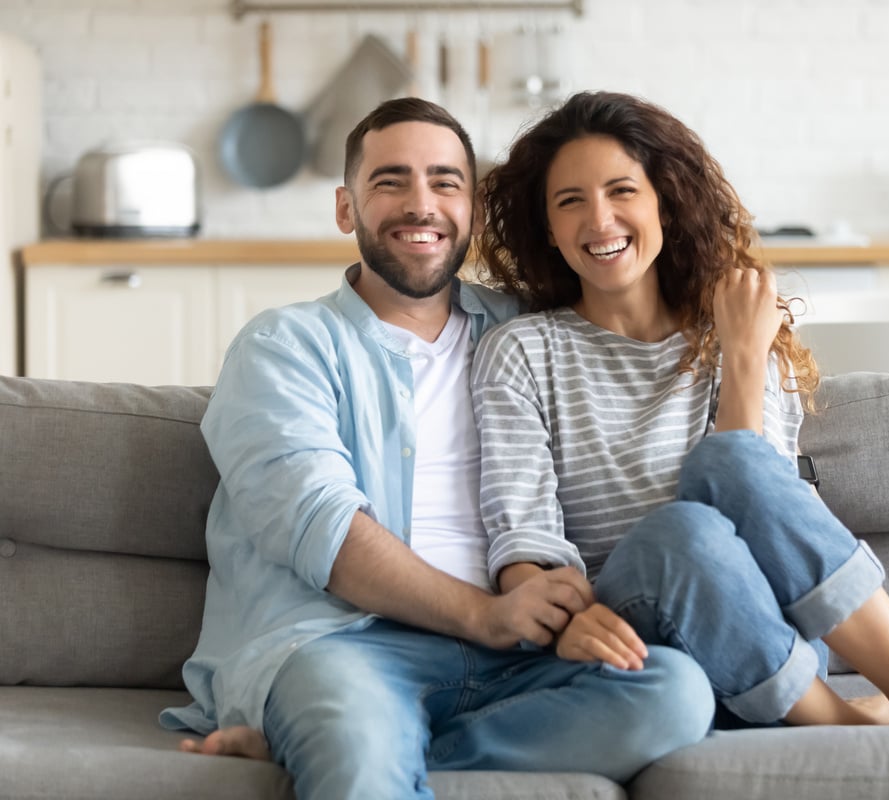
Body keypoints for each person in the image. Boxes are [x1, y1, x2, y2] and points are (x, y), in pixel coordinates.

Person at [472, 90, 889, 728]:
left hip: (770, 635)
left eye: (622, 190)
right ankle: (866, 720)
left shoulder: (735, 328)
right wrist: (563, 619)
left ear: (664, 198)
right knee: (679, 534)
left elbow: (755, 498)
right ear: (548, 229)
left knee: (731, 473)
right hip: (634, 637)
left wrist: (743, 353)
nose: (599, 220)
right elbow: (525, 537)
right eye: (570, 201)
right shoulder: (520, 351)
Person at [158, 97, 714, 800]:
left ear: (474, 210)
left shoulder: (530, 334)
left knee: (676, 692)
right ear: (344, 208)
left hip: (520, 653)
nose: (421, 205)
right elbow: (320, 529)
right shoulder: (284, 347)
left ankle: (319, 746)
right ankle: (343, 741)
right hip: (346, 646)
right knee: (357, 744)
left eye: (445, 182)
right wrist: (486, 613)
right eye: (390, 181)